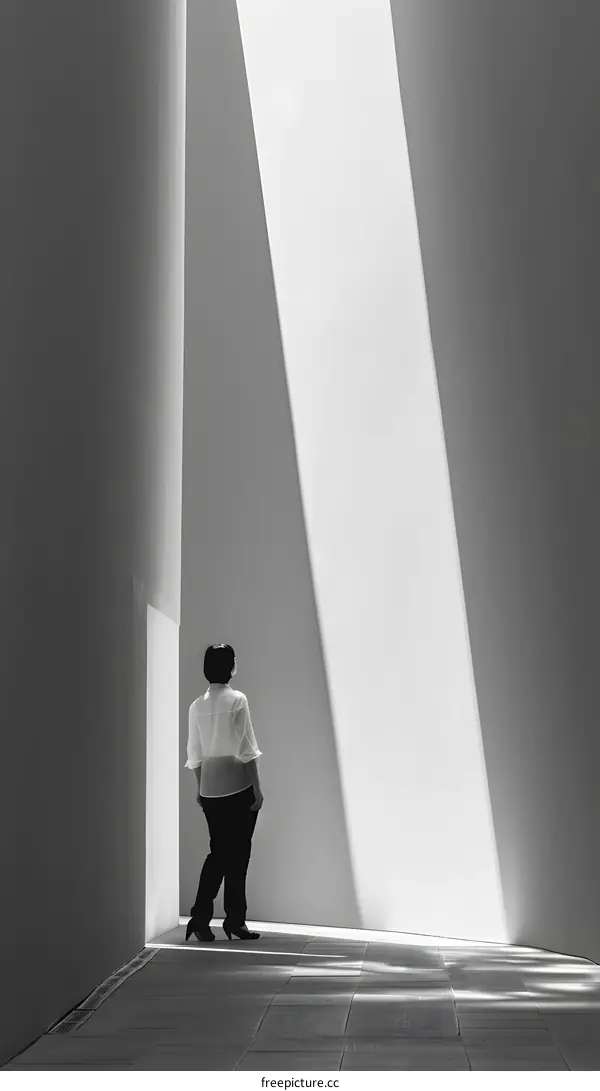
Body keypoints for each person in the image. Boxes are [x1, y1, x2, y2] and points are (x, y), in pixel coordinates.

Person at [185, 643, 264, 943]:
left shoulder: (196, 706)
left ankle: (200, 918)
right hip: (237, 785)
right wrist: (256, 787)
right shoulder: (237, 700)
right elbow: (247, 748)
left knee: (217, 853)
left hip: (210, 788)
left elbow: (194, 753)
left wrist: (200, 787)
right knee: (238, 854)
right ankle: (235, 920)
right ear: (231, 667)